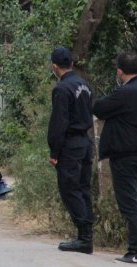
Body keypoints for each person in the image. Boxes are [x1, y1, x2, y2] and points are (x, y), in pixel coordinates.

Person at [93, 52, 137, 264]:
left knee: (130, 205)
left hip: (126, 157)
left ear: (120, 71)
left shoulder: (126, 92)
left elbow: (99, 107)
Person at [47, 47, 94, 254]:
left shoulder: (62, 89)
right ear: (72, 64)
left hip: (70, 145)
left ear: (54, 67)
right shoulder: (84, 85)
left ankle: (84, 237)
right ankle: (87, 234)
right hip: (85, 142)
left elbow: (59, 123)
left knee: (69, 188)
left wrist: (54, 152)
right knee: (83, 187)